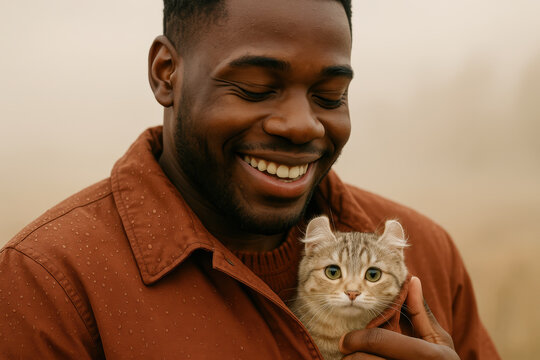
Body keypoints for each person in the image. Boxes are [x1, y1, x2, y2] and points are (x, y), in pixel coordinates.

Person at [0, 0, 500, 359]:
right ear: (165, 72)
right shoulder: (46, 285)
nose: (303, 124)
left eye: (329, 95)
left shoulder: (430, 257)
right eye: (256, 88)